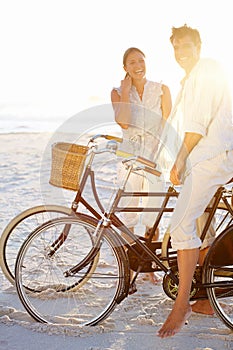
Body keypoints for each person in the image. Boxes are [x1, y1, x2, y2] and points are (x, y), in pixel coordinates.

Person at [158, 24, 233, 338]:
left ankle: (182, 304)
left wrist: (180, 158)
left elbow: (197, 126)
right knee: (201, 228)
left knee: (180, 225)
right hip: (208, 156)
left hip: (211, 157)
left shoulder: (205, 72)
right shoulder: (194, 77)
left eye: (186, 46)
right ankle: (204, 299)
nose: (181, 52)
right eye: (176, 47)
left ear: (199, 47)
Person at [111, 47, 172, 288]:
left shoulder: (162, 89)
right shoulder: (117, 92)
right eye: (132, 62)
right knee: (129, 215)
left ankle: (148, 269)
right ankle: (129, 269)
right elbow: (124, 122)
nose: (138, 65)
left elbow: (168, 124)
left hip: (155, 158)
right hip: (129, 159)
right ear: (125, 68)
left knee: (152, 216)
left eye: (141, 60)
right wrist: (126, 91)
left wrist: (159, 149)